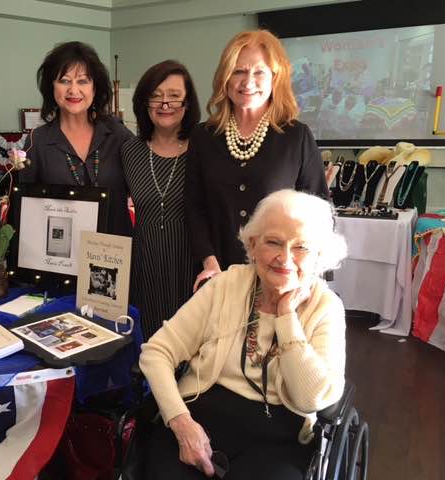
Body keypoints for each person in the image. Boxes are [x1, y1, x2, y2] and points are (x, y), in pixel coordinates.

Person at [139, 189, 348, 480]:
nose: (284, 258)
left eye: (301, 247)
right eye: (273, 242)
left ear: (320, 256)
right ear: (252, 245)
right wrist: (180, 422)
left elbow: (310, 399)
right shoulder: (225, 286)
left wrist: (286, 316)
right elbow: (156, 352)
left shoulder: (326, 307)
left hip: (279, 434)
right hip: (200, 412)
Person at [185, 30, 329, 292]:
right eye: (238, 71)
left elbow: (320, 213)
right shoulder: (203, 136)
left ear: (276, 78)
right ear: (225, 78)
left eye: (259, 72)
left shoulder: (296, 137)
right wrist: (209, 262)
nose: (247, 82)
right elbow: (194, 207)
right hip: (218, 275)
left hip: (279, 277)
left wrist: (298, 269)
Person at [20, 41, 134, 237]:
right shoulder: (36, 142)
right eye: (64, 80)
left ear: (95, 87)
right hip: (61, 256)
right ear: (51, 87)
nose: (73, 90)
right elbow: (26, 210)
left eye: (83, 81)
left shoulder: (118, 135)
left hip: (114, 254)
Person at [122, 60, 201, 339]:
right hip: (146, 271)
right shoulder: (129, 152)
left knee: (194, 352)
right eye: (155, 96)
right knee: (151, 351)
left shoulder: (204, 148)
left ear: (188, 101)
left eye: (174, 95)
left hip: (194, 269)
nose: (164, 103)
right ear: (144, 102)